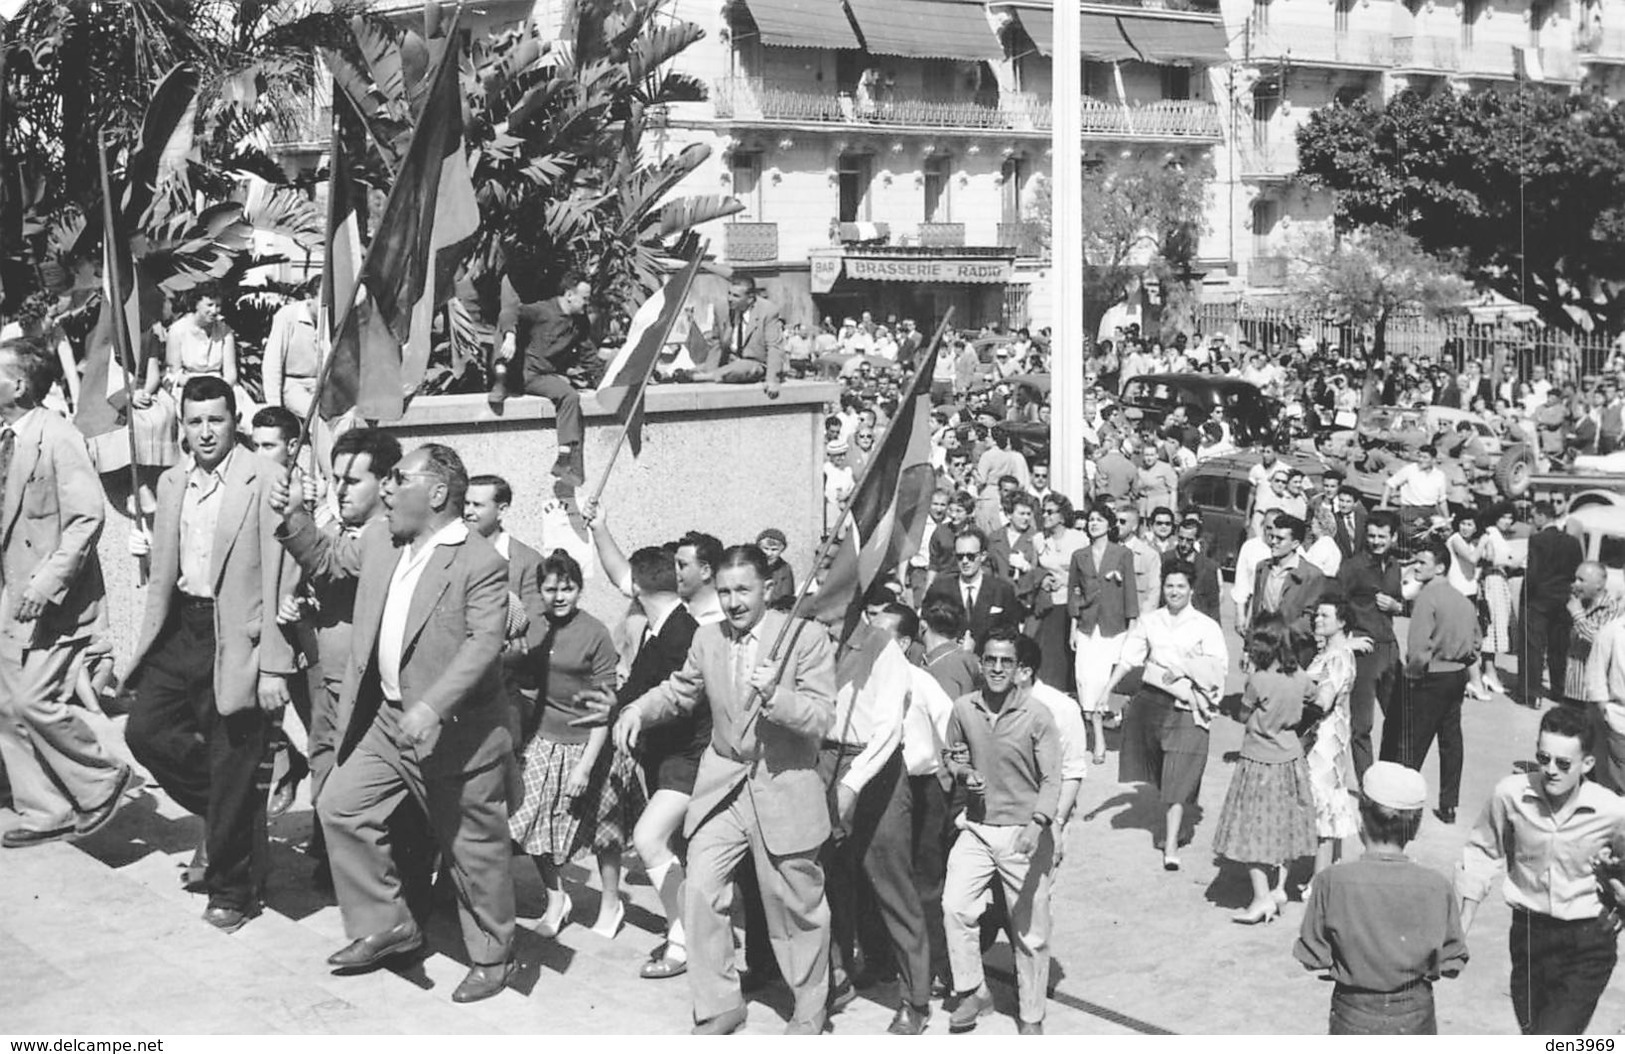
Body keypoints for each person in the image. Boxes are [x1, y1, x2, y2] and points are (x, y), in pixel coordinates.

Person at [272, 442, 516, 1003]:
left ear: (435, 493)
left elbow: (483, 645)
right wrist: (294, 517)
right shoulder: (383, 538)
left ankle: (494, 955)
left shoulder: (480, 563)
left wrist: (432, 705)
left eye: (398, 479)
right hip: (386, 720)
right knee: (338, 806)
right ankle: (390, 923)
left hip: (454, 733)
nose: (385, 487)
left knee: (470, 851)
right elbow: (330, 562)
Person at [607, 545, 836, 1035]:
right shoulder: (708, 638)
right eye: (726, 591)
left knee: (795, 905)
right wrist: (638, 710)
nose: (733, 602)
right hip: (722, 785)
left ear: (767, 589)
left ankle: (810, 1005)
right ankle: (721, 1003)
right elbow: (681, 690)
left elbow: (821, 718)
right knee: (701, 891)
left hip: (783, 784)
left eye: (744, 591)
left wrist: (778, 696)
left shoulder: (805, 637)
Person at [123, 376, 297, 932]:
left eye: (215, 420)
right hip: (183, 630)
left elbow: (280, 575)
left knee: (232, 758)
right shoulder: (173, 482)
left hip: (239, 638)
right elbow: (169, 572)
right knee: (145, 733)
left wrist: (274, 663)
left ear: (233, 421)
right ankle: (237, 812)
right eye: (194, 421)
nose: (205, 432)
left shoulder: (265, 477)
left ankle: (232, 890)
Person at [0, 340, 135, 848]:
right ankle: (45, 808)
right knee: (6, 703)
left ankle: (100, 779)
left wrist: (45, 582)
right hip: (10, 593)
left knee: (34, 700)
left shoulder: (57, 437)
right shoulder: (6, 437)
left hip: (54, 601)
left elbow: (87, 519)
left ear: (18, 384)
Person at [1458, 706, 1625, 1035]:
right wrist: (1461, 929)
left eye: (1564, 764)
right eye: (1543, 758)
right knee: (1534, 1034)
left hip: (1588, 941)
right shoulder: (1511, 795)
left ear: (1587, 764)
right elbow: (1480, 850)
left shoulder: (1612, 811)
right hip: (1529, 936)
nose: (1551, 770)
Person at [508, 548, 639, 939]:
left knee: (602, 830)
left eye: (567, 588)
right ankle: (556, 898)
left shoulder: (595, 632)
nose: (559, 596)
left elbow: (603, 705)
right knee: (530, 822)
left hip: (589, 742)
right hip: (544, 740)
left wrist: (585, 766)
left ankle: (611, 904)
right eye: (550, 589)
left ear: (579, 589)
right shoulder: (533, 627)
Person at [296, 427, 402, 890]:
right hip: (325, 675)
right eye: (334, 478)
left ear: (384, 484)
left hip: (370, 691)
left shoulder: (389, 535)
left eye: (351, 481)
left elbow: (330, 562)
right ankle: (331, 857)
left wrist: (292, 513)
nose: (339, 490)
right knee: (323, 763)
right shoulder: (334, 527)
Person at [940, 625, 1061, 1036]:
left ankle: (1030, 1014)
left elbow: (1052, 779)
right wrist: (962, 771)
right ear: (980, 662)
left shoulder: (1037, 715)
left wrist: (1038, 824)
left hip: (1022, 834)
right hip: (976, 828)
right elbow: (951, 753)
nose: (995, 667)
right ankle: (974, 990)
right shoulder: (963, 708)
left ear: (1019, 669)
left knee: (1030, 931)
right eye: (989, 659)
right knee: (955, 907)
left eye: (1005, 661)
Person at [1294, 762, 1468, 1035]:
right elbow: (1452, 963)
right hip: (1414, 1016)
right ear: (1414, 827)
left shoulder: (1331, 881)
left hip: (1353, 1012)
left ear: (1361, 819)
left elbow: (1311, 956)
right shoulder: (1437, 886)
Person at [818, 617, 930, 1034]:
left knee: (891, 883)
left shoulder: (882, 646)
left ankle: (914, 999)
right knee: (829, 877)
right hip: (823, 756)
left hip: (873, 765)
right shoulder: (810, 636)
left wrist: (851, 782)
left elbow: (887, 729)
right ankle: (837, 973)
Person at [1100, 561, 1229, 871]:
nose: (1174, 592)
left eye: (1181, 586)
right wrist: (1108, 689)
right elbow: (1130, 657)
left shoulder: (1205, 626)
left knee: (1177, 772)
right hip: (1152, 703)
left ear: (1191, 589)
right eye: (1170, 586)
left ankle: (1170, 844)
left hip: (1187, 705)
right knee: (1161, 771)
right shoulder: (1151, 620)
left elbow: (1219, 669)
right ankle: (1179, 819)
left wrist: (1185, 668)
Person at [1212, 612, 1318, 923]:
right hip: (1291, 760)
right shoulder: (1299, 677)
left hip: (1259, 761)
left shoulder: (1258, 681)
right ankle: (1279, 889)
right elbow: (1316, 696)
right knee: (1284, 826)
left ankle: (1260, 898)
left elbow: (1244, 715)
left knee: (1252, 829)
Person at [1382, 541, 1480, 826]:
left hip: (1431, 676)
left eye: (1422, 563)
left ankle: (1400, 806)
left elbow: (1418, 648)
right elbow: (1476, 642)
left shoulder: (1426, 598)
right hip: (1457, 675)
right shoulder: (1462, 599)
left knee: (1413, 742)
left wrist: (1412, 678)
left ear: (1440, 567)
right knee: (1451, 741)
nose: (1416, 567)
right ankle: (1449, 805)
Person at [495, 273, 592, 487]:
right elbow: (510, 311)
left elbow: (589, 355)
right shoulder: (543, 311)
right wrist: (510, 335)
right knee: (568, 396)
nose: (587, 303)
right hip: (527, 375)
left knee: (567, 391)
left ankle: (567, 462)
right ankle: (565, 459)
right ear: (569, 295)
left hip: (548, 375)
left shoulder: (580, 322)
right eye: (584, 298)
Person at [1336, 511, 1405, 779]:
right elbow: (1332, 603)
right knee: (1362, 726)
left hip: (1390, 649)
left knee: (1399, 719)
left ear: (1394, 537)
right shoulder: (1352, 568)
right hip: (1365, 652)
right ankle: (1367, 785)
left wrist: (1397, 606)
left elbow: (1400, 603)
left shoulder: (1395, 565)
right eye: (1372, 536)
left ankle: (1387, 778)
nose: (1376, 541)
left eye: (1382, 536)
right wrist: (1346, 640)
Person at [1069, 502, 1137, 765]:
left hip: (1112, 626)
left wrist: (1132, 628)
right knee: (1084, 677)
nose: (1093, 523)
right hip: (1087, 625)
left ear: (1109, 525)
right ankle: (1094, 729)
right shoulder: (1079, 555)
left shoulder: (1122, 554)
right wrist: (1073, 627)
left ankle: (1099, 735)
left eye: (1099, 519)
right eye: (1090, 519)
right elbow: (1074, 591)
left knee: (1101, 680)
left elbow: (1130, 591)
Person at [1303, 598, 1361, 890]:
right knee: (1326, 804)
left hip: (1325, 737)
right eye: (1317, 614)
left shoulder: (1338, 656)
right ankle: (1330, 871)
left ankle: (1320, 879)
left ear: (1342, 622)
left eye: (1325, 615)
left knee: (1324, 805)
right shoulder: (1329, 653)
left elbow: (1323, 701)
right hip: (1326, 735)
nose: (1318, 619)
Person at [1521, 500, 1584, 708]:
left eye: (1533, 516)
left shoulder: (1537, 540)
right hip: (1563, 599)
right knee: (1559, 647)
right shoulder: (1572, 542)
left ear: (1542, 516)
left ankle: (1533, 693)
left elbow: (1534, 573)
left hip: (1539, 600)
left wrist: (1527, 595)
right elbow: (1577, 571)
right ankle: (1558, 690)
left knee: (1534, 647)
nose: (1532, 520)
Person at [695, 274, 786, 400]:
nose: (730, 299)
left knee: (739, 369)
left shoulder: (768, 311)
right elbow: (716, 342)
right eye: (729, 293)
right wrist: (709, 367)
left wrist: (772, 380)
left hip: (754, 363)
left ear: (750, 298)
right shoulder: (721, 307)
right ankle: (676, 375)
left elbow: (775, 347)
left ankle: (701, 377)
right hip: (728, 360)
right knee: (698, 368)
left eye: (736, 296)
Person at [924, 527, 1019, 646]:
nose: (964, 561)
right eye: (959, 556)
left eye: (970, 556)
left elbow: (1011, 633)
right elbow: (926, 626)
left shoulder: (1002, 590)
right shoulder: (940, 588)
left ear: (983, 556)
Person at [1029, 493, 1084, 693]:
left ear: (1062, 516)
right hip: (1049, 603)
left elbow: (1086, 572)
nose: (1045, 515)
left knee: (1068, 654)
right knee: (1051, 656)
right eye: (1043, 511)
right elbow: (1033, 571)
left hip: (1072, 603)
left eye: (1050, 512)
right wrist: (1042, 578)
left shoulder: (1078, 538)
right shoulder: (1038, 540)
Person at [1248, 513, 1325, 642]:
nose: (1273, 542)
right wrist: (1247, 647)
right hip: (1262, 647)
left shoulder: (1312, 575)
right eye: (1272, 537)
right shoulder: (1262, 568)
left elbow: (1310, 619)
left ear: (1295, 544)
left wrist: (1282, 633)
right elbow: (1256, 613)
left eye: (1280, 539)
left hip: (1293, 648)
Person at [1564, 561, 1625, 710]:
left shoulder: (1611, 609)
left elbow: (1599, 641)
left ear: (1599, 584)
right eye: (1575, 579)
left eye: (1581, 580)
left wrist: (1578, 615)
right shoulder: (1579, 603)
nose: (1575, 584)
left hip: (1591, 696)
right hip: (1572, 689)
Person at [1475, 504, 1518, 697]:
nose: (1507, 521)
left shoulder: (1499, 535)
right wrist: (1511, 562)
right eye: (1504, 517)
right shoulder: (1491, 534)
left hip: (1499, 581)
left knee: (1496, 626)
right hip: (1492, 581)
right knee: (1491, 626)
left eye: (1510, 518)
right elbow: (1486, 558)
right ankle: (1489, 672)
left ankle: (1488, 669)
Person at [1164, 515, 1221, 622]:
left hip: (1196, 623)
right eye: (1181, 538)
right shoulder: (1165, 559)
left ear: (1197, 540)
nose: (1183, 544)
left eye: (1189, 540)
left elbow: (1213, 604)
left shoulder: (1208, 567)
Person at [757, 527, 795, 608]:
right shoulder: (752, 566)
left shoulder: (785, 569)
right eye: (765, 549)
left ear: (781, 550)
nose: (769, 553)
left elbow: (786, 597)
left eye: (774, 550)